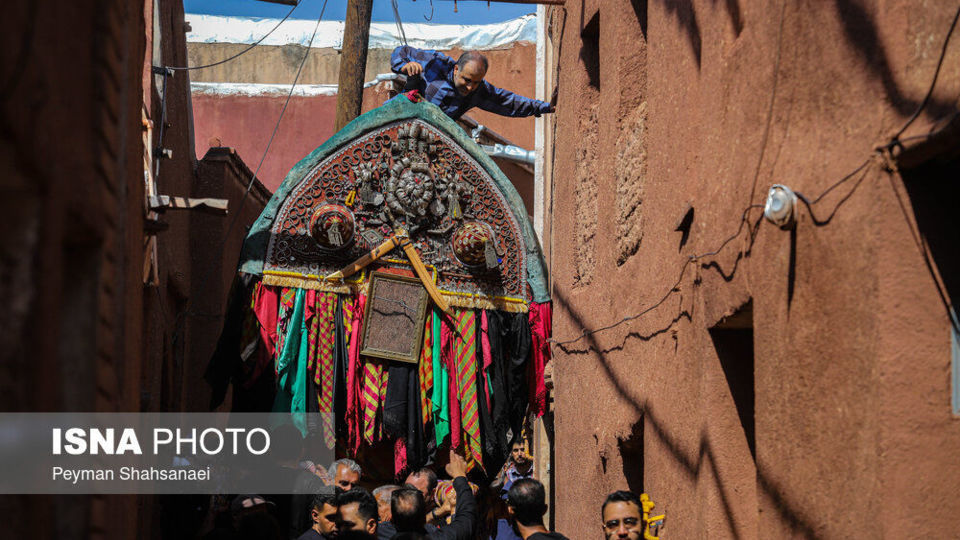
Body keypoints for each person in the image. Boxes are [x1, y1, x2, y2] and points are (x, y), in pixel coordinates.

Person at [390, 47, 555, 120]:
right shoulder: (436, 63)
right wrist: (404, 66)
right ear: (456, 69)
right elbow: (401, 51)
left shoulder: (480, 92)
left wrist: (545, 107)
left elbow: (510, 103)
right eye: (466, 80)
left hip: (430, 137)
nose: (470, 87)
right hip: (398, 116)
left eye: (476, 82)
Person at [390, 449, 477, 539]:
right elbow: (466, 520)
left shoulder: (384, 533)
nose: (408, 496)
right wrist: (460, 475)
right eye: (406, 489)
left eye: (415, 492)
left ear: (432, 494)